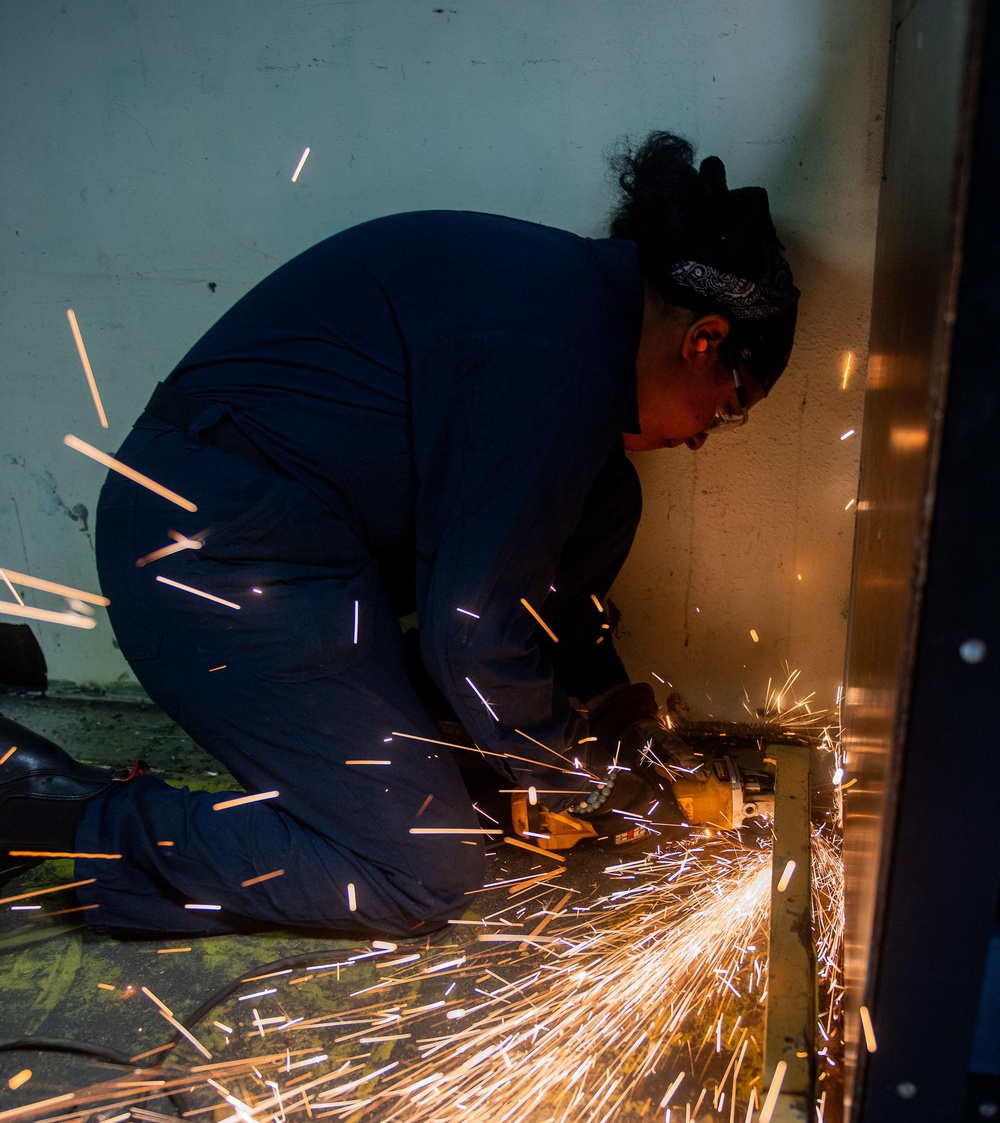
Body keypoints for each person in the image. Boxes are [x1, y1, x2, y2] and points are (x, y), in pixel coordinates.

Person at [0, 133, 798, 938]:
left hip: (290, 537)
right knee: (418, 870)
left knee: (603, 495)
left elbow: (535, 595)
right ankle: (60, 816)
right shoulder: (554, 357)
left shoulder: (571, 316)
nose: (704, 436)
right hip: (211, 562)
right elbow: (472, 632)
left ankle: (460, 756)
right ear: (704, 339)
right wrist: (585, 785)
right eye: (730, 408)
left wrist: (613, 739)